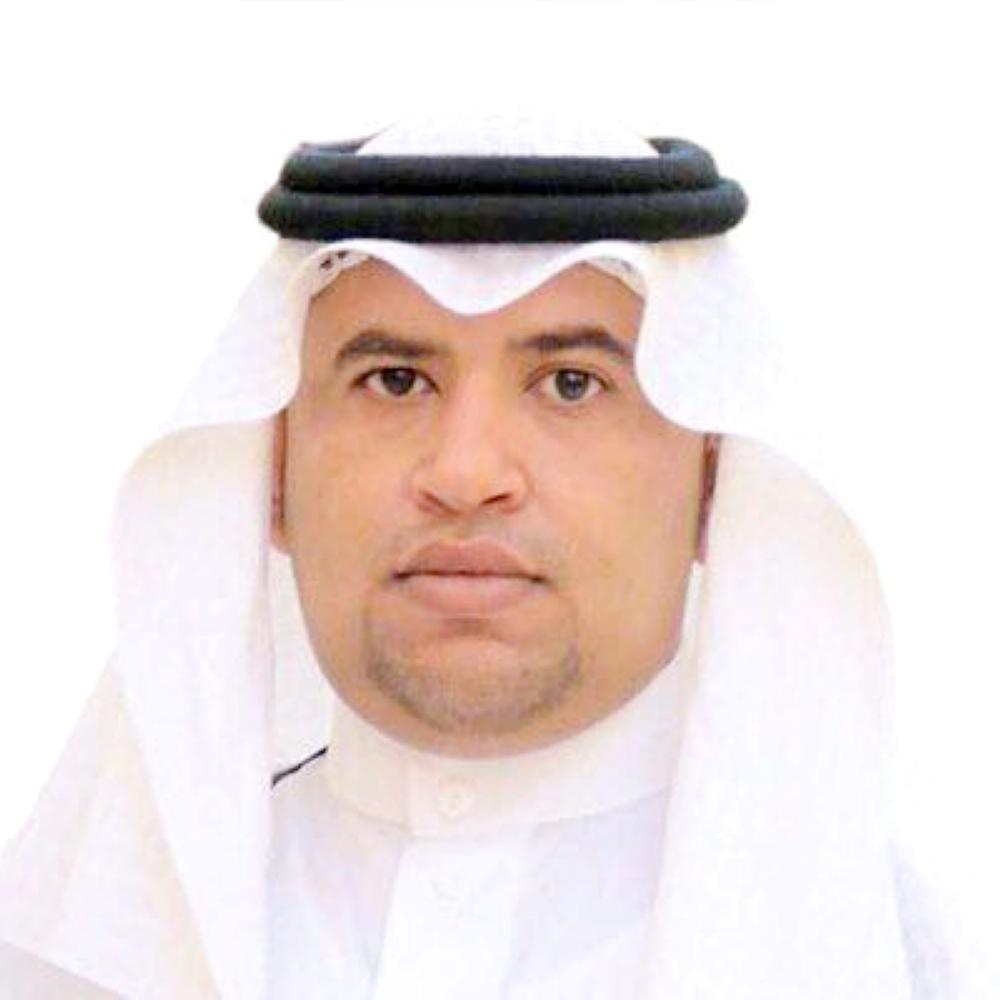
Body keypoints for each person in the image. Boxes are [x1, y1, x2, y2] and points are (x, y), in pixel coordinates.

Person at [0, 111, 972, 998]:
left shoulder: (894, 965)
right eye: (394, 379)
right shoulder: (76, 955)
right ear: (273, 472)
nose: (466, 474)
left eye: (571, 384)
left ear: (715, 482)